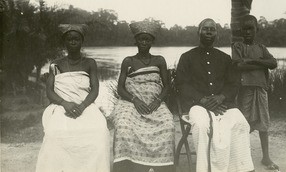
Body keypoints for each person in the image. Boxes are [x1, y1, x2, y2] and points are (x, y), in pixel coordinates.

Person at [176, 18, 254, 172]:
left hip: (223, 104)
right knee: (201, 124)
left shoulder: (225, 58)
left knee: (240, 123)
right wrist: (202, 99)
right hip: (197, 105)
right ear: (199, 32)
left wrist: (221, 97)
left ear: (217, 34)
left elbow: (234, 83)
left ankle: (237, 169)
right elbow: (182, 84)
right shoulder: (187, 57)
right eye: (205, 28)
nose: (209, 31)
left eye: (213, 29)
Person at [36, 24, 110, 172]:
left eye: (76, 39)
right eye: (69, 39)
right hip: (61, 106)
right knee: (55, 133)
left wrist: (82, 106)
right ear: (64, 42)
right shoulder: (56, 64)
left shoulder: (90, 63)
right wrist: (64, 103)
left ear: (82, 42)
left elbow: (95, 89)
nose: (73, 42)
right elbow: (49, 91)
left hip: (86, 105)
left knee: (100, 131)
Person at [112, 21, 175, 172]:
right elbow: (120, 88)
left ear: (152, 41)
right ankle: (128, 166)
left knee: (168, 125)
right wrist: (135, 100)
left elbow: (167, 86)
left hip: (155, 103)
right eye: (141, 39)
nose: (144, 42)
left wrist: (158, 101)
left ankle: (160, 167)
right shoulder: (128, 61)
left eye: (147, 39)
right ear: (136, 41)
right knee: (123, 126)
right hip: (131, 102)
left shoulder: (159, 60)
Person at [232, 15, 279, 170]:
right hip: (245, 89)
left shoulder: (261, 48)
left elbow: (273, 63)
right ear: (241, 31)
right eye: (244, 29)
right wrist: (260, 64)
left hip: (261, 89)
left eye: (250, 28)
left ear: (256, 30)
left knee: (263, 123)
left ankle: (266, 157)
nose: (247, 32)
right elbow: (238, 66)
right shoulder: (237, 46)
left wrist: (253, 61)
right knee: (244, 123)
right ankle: (244, 157)